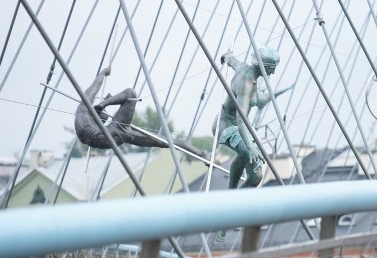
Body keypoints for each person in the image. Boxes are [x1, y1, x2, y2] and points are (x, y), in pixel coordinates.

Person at [75, 67, 206, 158]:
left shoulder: (84, 124)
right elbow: (93, 88)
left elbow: (91, 92)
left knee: (165, 141)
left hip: (114, 138)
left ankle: (199, 153)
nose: (107, 116)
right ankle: (199, 153)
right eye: (104, 116)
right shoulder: (84, 113)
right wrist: (103, 75)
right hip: (116, 135)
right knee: (130, 93)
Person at [215, 47, 280, 191]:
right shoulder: (247, 84)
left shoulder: (244, 67)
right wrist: (250, 147)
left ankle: (234, 198)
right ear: (263, 67)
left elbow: (232, 61)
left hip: (238, 126)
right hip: (226, 125)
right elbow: (241, 119)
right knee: (247, 155)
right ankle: (230, 194)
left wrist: (227, 56)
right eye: (272, 68)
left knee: (256, 176)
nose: (273, 72)